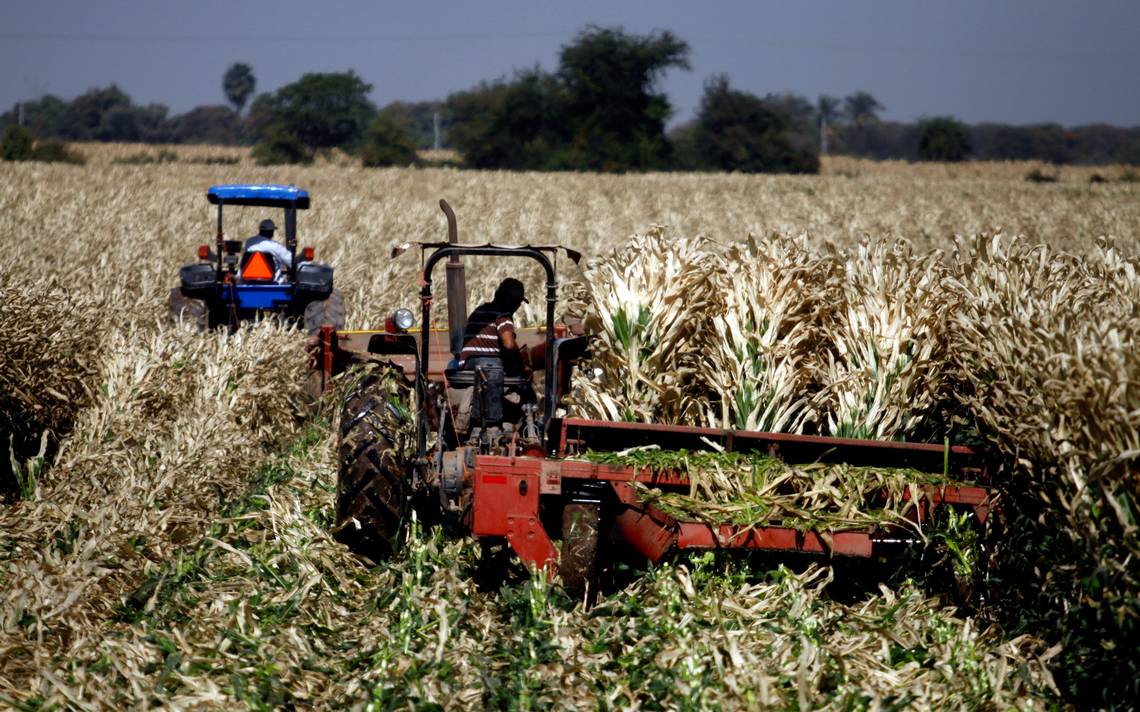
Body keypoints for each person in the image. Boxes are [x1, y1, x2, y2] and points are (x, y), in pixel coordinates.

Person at [459, 278, 533, 434]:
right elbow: (509, 344)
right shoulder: (502, 315)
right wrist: (523, 365)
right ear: (509, 300)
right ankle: (506, 422)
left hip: (468, 364)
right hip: (488, 365)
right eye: (517, 302)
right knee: (521, 384)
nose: (518, 306)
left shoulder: (479, 310)